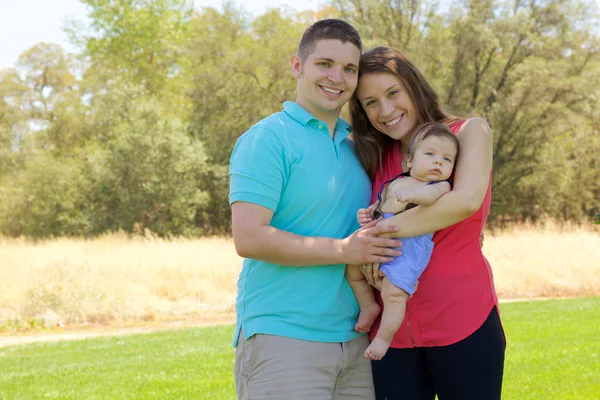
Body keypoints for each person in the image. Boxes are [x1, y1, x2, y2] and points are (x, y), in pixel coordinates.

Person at [228, 20, 402, 400]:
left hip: (356, 340)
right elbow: (249, 237)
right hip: (283, 337)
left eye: (349, 69)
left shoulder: (357, 147)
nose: (336, 77)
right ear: (297, 66)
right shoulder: (267, 139)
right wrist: (343, 251)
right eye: (324, 63)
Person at [349, 46, 505, 400]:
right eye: (370, 102)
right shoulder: (376, 154)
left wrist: (377, 236)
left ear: (413, 86)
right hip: (392, 334)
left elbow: (463, 201)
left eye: (393, 93)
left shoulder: (468, 132)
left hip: (464, 320)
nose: (385, 110)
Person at [346, 122, 459, 361]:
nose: (439, 162)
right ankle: (368, 305)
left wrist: (414, 195)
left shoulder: (438, 186)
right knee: (352, 270)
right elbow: (379, 206)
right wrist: (367, 213)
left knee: (394, 293)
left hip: (407, 245)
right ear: (409, 161)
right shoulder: (395, 183)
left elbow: (429, 199)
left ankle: (383, 339)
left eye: (447, 159)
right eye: (430, 154)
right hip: (378, 238)